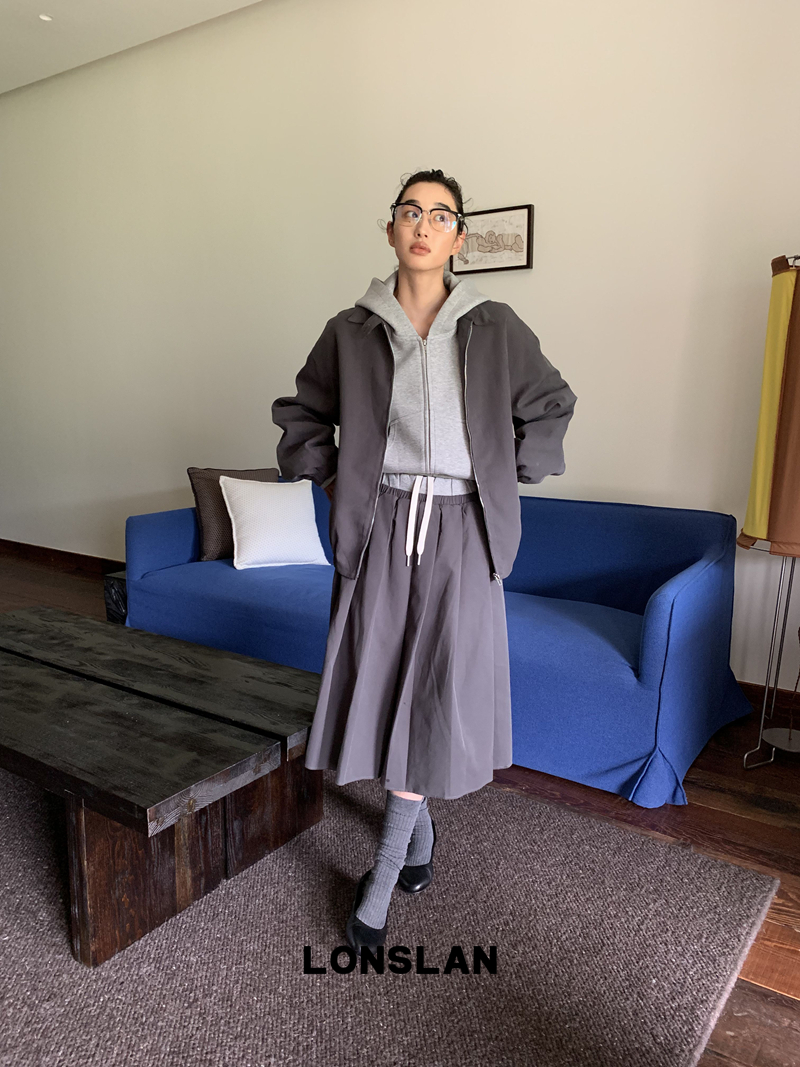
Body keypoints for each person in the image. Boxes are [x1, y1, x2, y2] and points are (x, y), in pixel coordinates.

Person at [271, 168, 577, 957]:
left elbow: (551, 404)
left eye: (440, 214)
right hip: (379, 524)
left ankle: (380, 880)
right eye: (411, 211)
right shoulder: (350, 330)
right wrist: (338, 479)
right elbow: (302, 416)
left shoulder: (494, 325)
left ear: (458, 237)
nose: (423, 224)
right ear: (391, 229)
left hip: (463, 529)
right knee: (380, 685)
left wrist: (507, 471)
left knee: (434, 690)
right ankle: (420, 834)